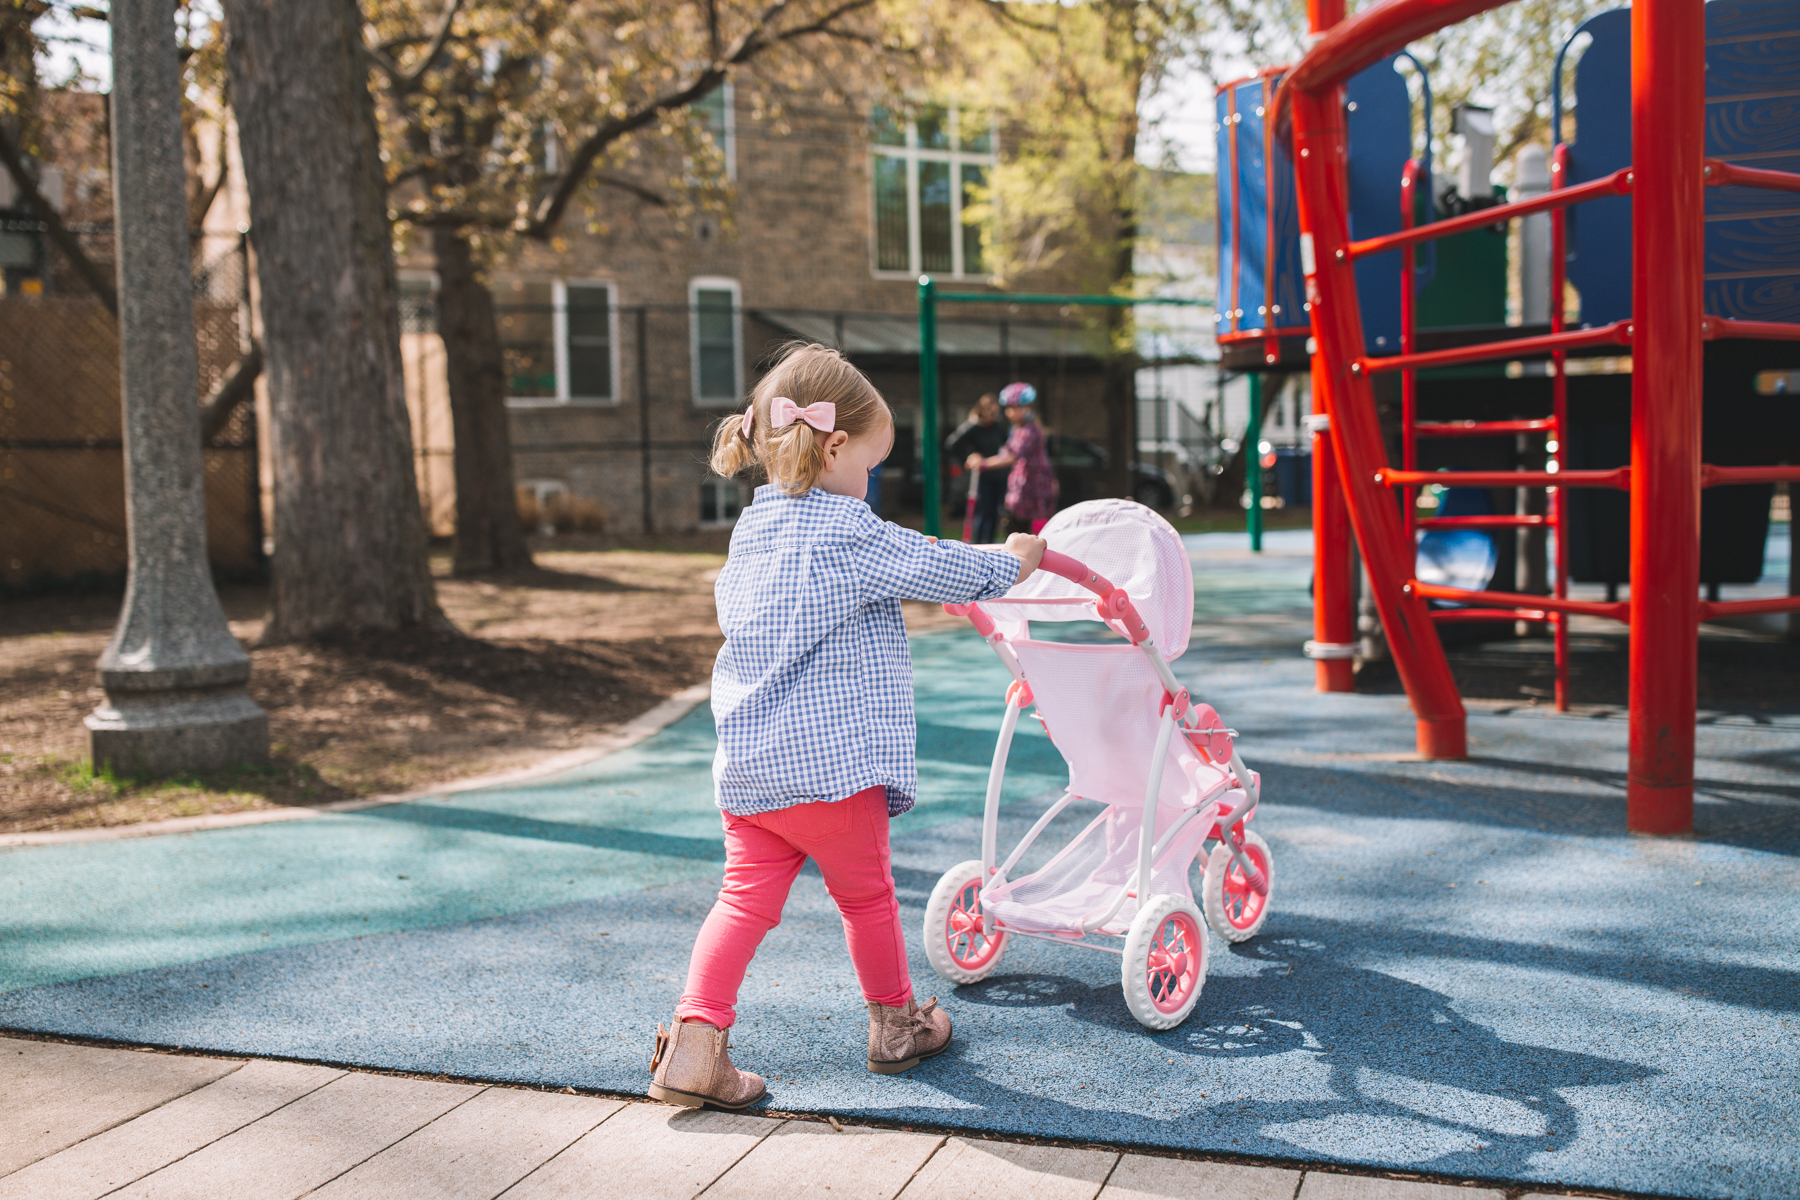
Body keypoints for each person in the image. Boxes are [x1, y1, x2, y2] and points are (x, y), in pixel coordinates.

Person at [649, 342, 1047, 1111]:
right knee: (865, 900)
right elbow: (943, 570)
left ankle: (696, 1047)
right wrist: (1014, 559)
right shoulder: (848, 531)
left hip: (752, 770)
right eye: (870, 466)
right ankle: (896, 1028)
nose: (871, 483)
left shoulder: (752, 531)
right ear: (833, 448)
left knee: (741, 903)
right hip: (831, 772)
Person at [968, 381, 1057, 535]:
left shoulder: (1029, 430)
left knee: (1033, 531)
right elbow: (1006, 451)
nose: (1011, 412)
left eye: (1016, 408)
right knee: (1016, 528)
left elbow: (1011, 456)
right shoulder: (1016, 429)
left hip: (1033, 489)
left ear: (1029, 408)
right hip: (1022, 489)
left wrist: (984, 464)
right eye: (1009, 408)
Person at [946, 393, 1008, 543]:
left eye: (996, 413)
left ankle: (991, 543)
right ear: (983, 411)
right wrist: (968, 459)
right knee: (983, 512)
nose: (994, 416)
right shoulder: (974, 426)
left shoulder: (998, 428)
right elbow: (952, 444)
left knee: (995, 513)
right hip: (981, 476)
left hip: (998, 474)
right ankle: (979, 544)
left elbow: (1008, 447)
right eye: (991, 412)